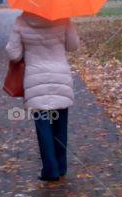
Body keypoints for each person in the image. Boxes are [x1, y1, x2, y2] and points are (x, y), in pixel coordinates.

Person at [5, 10, 80, 183]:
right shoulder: (63, 17)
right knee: (61, 123)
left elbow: (14, 55)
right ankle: (61, 166)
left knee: (43, 125)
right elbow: (73, 46)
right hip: (60, 77)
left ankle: (50, 169)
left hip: (35, 79)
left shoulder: (21, 21)